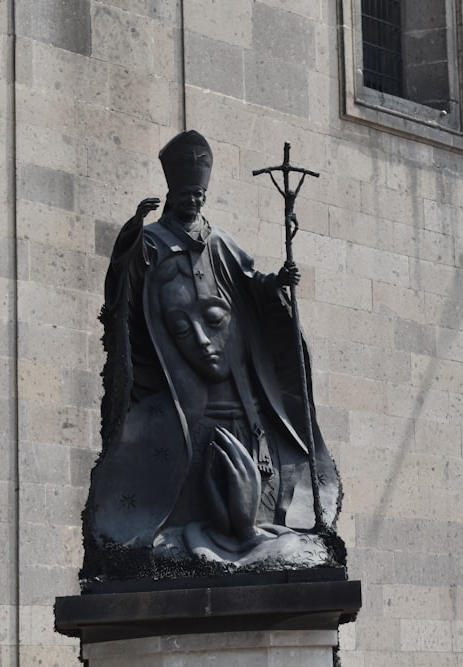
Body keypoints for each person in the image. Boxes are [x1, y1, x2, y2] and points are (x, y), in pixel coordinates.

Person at [82, 131, 341, 582]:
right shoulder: (154, 242)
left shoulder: (219, 242)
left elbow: (247, 285)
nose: (194, 201)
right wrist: (130, 236)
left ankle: (248, 531)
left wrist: (275, 283)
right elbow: (122, 288)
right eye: (186, 194)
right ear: (171, 194)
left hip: (234, 394)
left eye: (199, 194)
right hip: (182, 392)